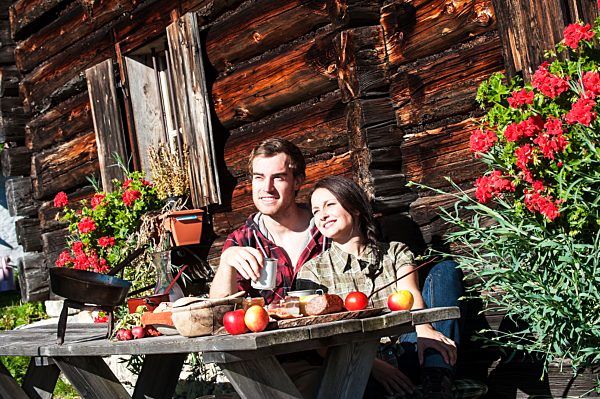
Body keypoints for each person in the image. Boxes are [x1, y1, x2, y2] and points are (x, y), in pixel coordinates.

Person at [296, 176, 464, 399]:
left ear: (355, 208)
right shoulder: (312, 272)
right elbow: (319, 342)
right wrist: (372, 365)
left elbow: (410, 295)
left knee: (445, 270)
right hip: (359, 369)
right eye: (316, 210)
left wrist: (424, 329)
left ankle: (436, 384)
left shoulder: (395, 252)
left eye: (330, 205)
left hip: (411, 351)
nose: (322, 215)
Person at [209, 138, 326, 398]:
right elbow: (218, 314)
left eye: (279, 178)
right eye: (259, 177)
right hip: (270, 364)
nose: (267, 188)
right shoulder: (242, 240)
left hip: (336, 351)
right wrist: (227, 262)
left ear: (298, 181)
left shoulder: (326, 229)